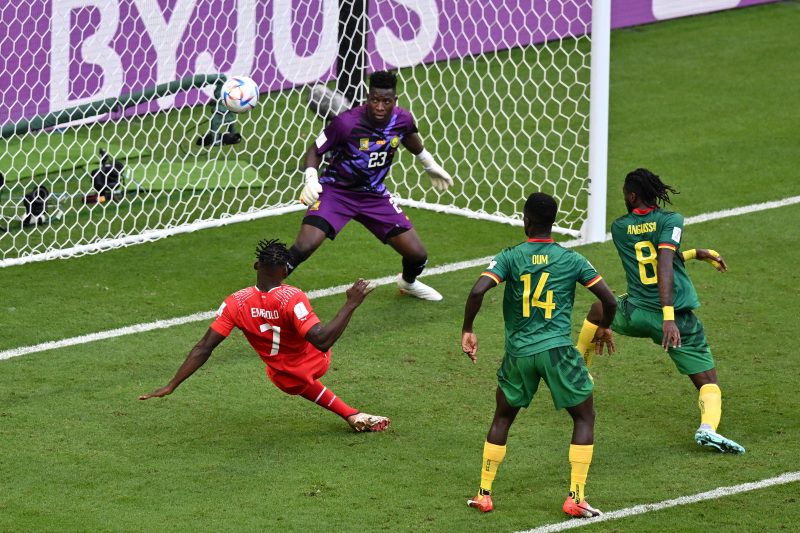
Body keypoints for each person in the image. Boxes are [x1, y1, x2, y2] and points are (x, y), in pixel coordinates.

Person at [461, 193, 617, 518]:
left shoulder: (510, 256)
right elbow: (609, 299)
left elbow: (477, 291)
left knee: (502, 417)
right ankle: (575, 496)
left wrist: (468, 330)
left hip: (518, 354)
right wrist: (604, 327)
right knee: (584, 417)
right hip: (558, 351)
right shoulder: (572, 260)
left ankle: (484, 493)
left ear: (525, 221)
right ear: (553, 222)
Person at [140, 239, 390, 433]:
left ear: (256, 266)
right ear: (284, 270)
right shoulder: (291, 297)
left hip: (282, 377)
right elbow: (322, 340)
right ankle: (352, 415)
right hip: (317, 362)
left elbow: (203, 348)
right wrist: (351, 304)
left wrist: (171, 385)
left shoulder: (235, 302)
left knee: (293, 374)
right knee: (314, 338)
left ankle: (351, 414)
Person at [574, 168, 744, 454]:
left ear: (631, 195)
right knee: (708, 382)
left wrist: (692, 254)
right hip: (673, 321)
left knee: (598, 309)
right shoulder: (671, 220)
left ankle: (578, 372)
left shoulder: (619, 228)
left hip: (636, 313)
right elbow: (663, 263)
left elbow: (651, 259)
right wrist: (668, 318)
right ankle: (707, 429)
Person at [289, 70, 454, 301]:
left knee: (417, 255)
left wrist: (429, 164)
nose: (379, 106)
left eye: (386, 101)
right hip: (337, 193)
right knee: (304, 246)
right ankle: (265, 293)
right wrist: (311, 178)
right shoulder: (346, 123)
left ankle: (408, 283)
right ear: (368, 98)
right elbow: (316, 150)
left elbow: (409, 136)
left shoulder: (402, 119)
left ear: (394, 101)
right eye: (375, 100)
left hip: (374, 196)